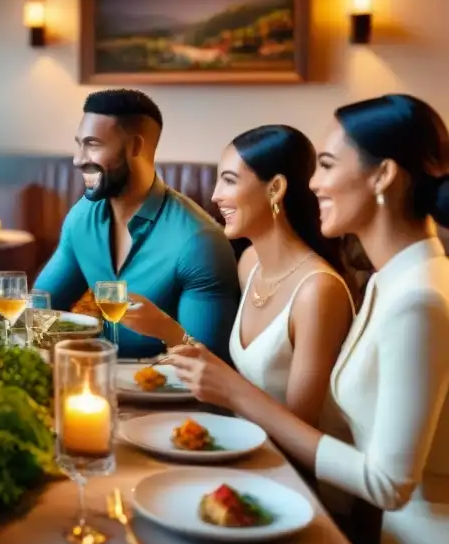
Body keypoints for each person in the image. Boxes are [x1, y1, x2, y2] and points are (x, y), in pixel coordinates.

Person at [169, 95, 449, 544]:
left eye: (326, 165)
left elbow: (389, 484)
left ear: (383, 175)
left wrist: (236, 392)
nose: (314, 182)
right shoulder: (397, 279)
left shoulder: (420, 298)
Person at [121, 125, 355, 427]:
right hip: (242, 438)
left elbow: (302, 427)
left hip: (289, 468)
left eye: (229, 181)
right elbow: (231, 379)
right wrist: (167, 330)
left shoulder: (319, 291)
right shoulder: (250, 262)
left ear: (275, 189)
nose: (216, 196)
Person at [34, 88, 239, 358]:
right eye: (79, 144)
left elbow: (208, 366)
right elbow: (38, 309)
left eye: (93, 144)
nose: (79, 159)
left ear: (135, 147)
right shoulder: (82, 217)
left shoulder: (200, 241)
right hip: (92, 381)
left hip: (168, 394)